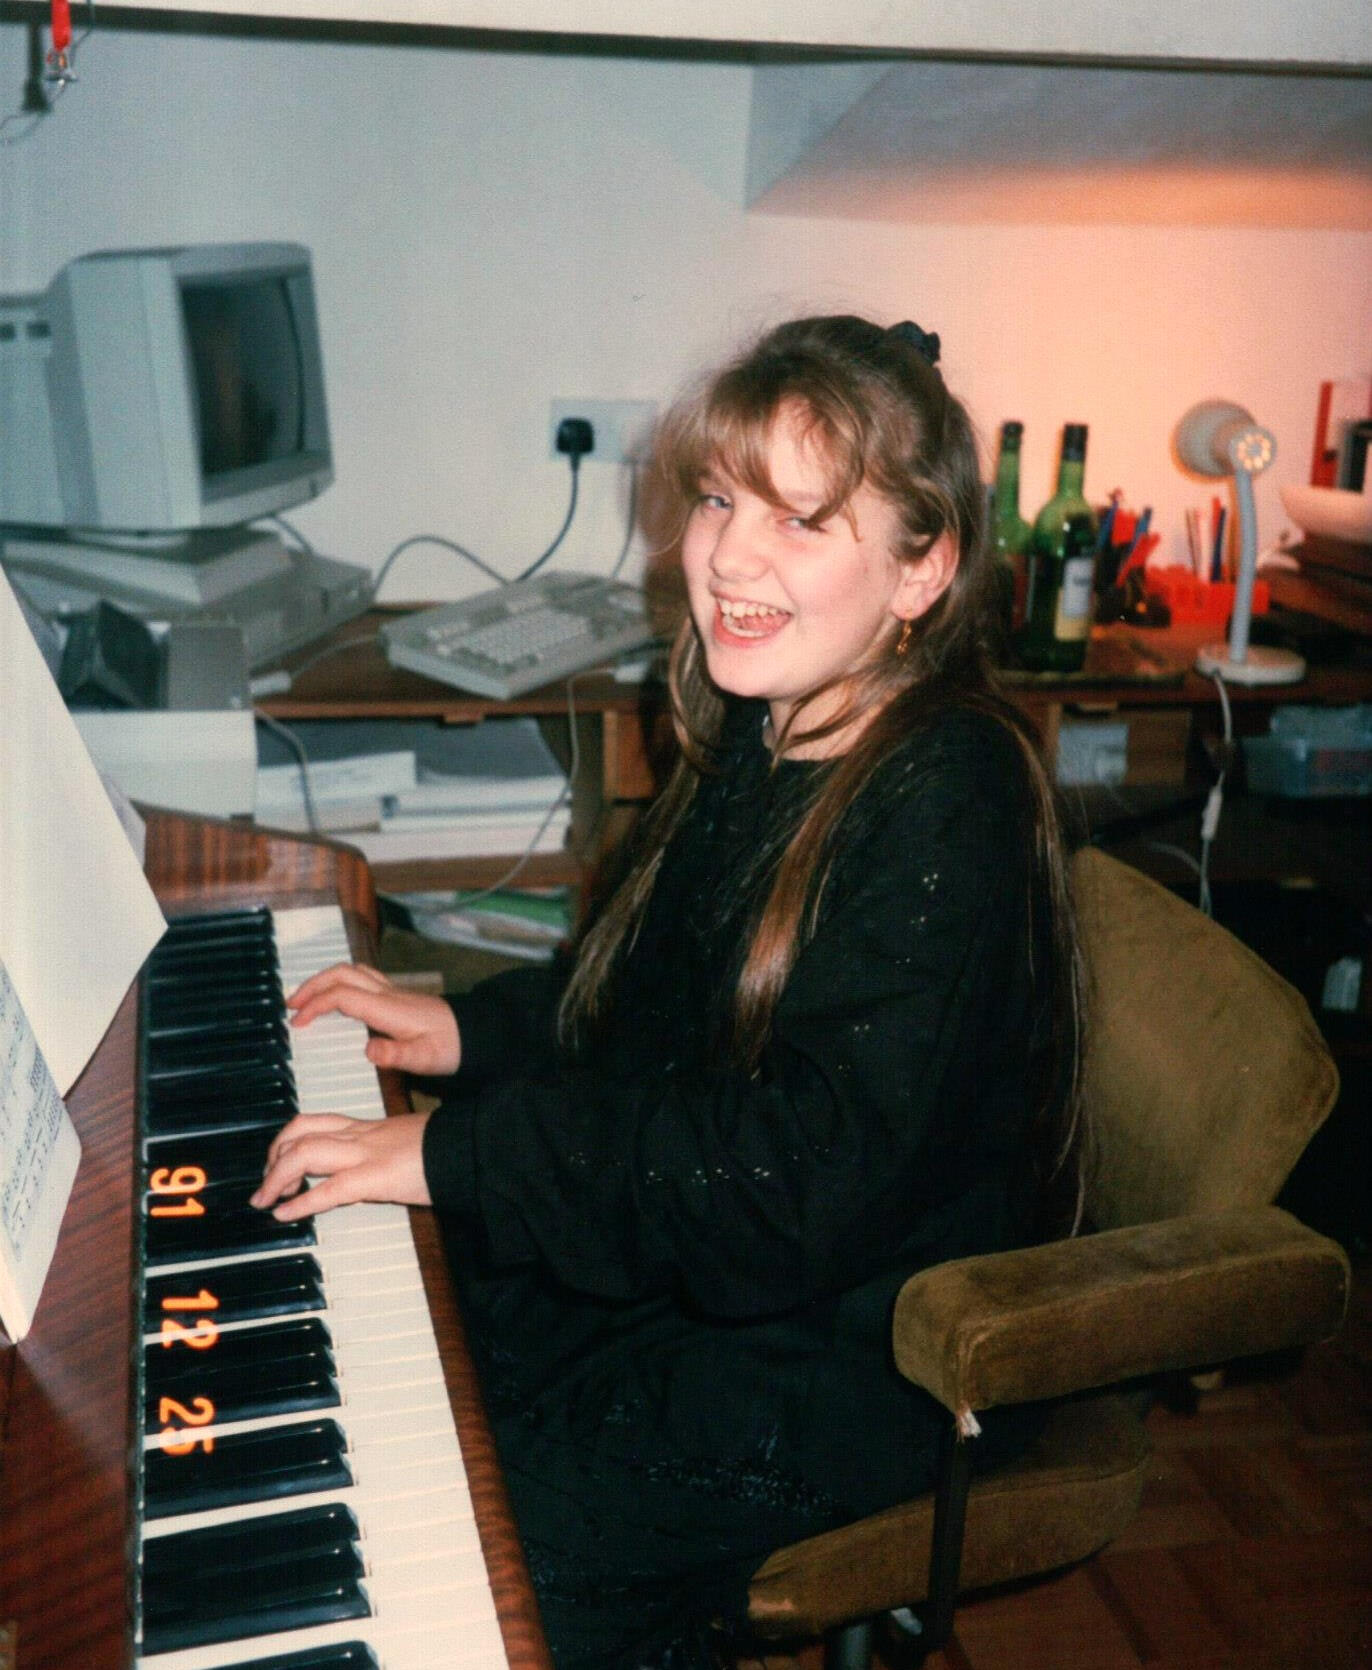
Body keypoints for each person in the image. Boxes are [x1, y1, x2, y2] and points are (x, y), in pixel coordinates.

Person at [252, 314, 1085, 1669]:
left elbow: (784, 1179)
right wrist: (469, 1032)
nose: (728, 559)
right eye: (715, 499)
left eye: (800, 521)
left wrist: (460, 1150)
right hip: (722, 1273)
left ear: (922, 569)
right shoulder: (767, 716)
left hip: (856, 1355)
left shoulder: (950, 798)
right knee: (393, 1373)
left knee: (462, 1547)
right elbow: (649, 1001)